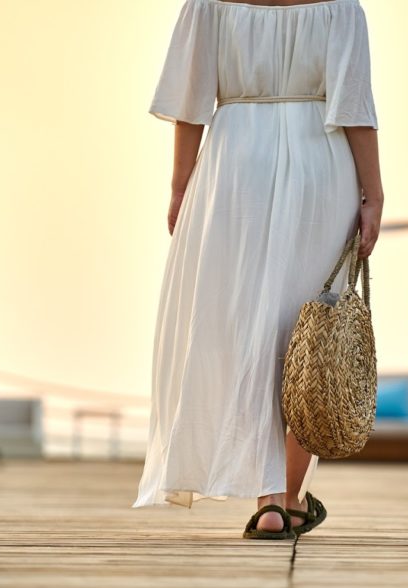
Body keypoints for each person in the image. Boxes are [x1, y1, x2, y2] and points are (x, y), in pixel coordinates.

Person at [132, 0, 383, 541]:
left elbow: (190, 103)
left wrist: (180, 186)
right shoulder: (340, 8)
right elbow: (355, 105)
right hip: (322, 162)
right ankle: (287, 497)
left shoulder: (208, 6)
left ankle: (270, 496)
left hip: (233, 163)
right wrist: (374, 193)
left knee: (244, 324)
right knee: (307, 334)